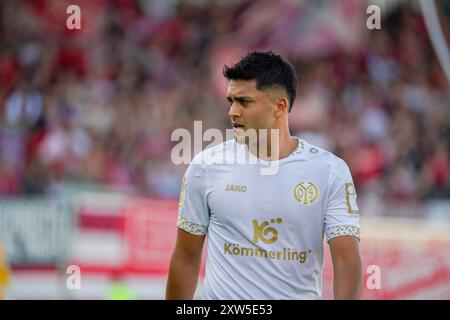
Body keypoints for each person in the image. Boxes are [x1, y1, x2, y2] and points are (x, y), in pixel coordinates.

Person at [166, 51, 362, 300]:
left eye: (244, 102)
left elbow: (347, 262)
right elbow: (185, 257)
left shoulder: (329, 172)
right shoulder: (205, 167)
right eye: (231, 101)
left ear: (280, 106)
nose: (232, 112)